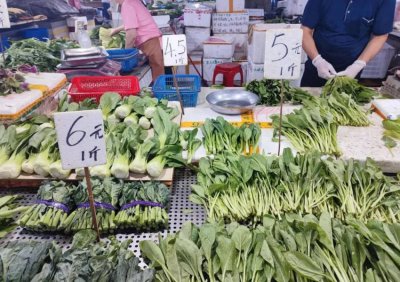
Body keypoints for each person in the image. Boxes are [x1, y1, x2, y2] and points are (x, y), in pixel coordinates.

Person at [301, 0, 396, 87]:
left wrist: (358, 64)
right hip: (316, 67)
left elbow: (380, 35)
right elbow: (305, 30)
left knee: (343, 102)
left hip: (352, 70)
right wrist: (317, 60)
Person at [110, 0, 164, 81]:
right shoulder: (134, 2)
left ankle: (159, 92)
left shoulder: (127, 5)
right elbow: (133, 21)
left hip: (149, 41)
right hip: (153, 40)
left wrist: (126, 54)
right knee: (158, 71)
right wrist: (117, 29)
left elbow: (131, 35)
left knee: (157, 75)